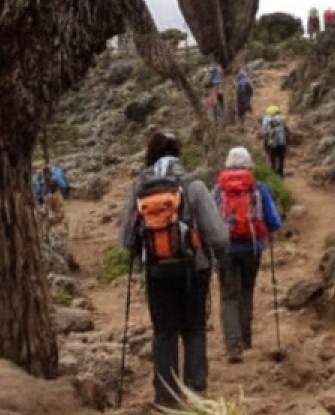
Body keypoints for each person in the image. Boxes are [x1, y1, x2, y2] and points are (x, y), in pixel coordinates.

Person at [119, 131, 227, 408]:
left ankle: (166, 398)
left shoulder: (139, 188)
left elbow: (125, 240)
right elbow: (218, 237)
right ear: (178, 153)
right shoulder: (194, 186)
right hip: (194, 270)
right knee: (194, 329)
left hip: (157, 272)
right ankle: (196, 394)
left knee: (164, 332)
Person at [215, 146, 283, 361]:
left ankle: (233, 345)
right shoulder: (258, 188)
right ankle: (245, 339)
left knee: (228, 296)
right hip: (252, 247)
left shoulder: (218, 190)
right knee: (246, 291)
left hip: (225, 248)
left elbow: (208, 222)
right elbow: (273, 221)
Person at [259, 106, 290, 177]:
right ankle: (281, 173)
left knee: (273, 158)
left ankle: (273, 173)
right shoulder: (282, 121)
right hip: (282, 144)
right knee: (281, 158)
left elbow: (265, 131)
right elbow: (287, 133)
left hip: (272, 144)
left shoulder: (268, 120)